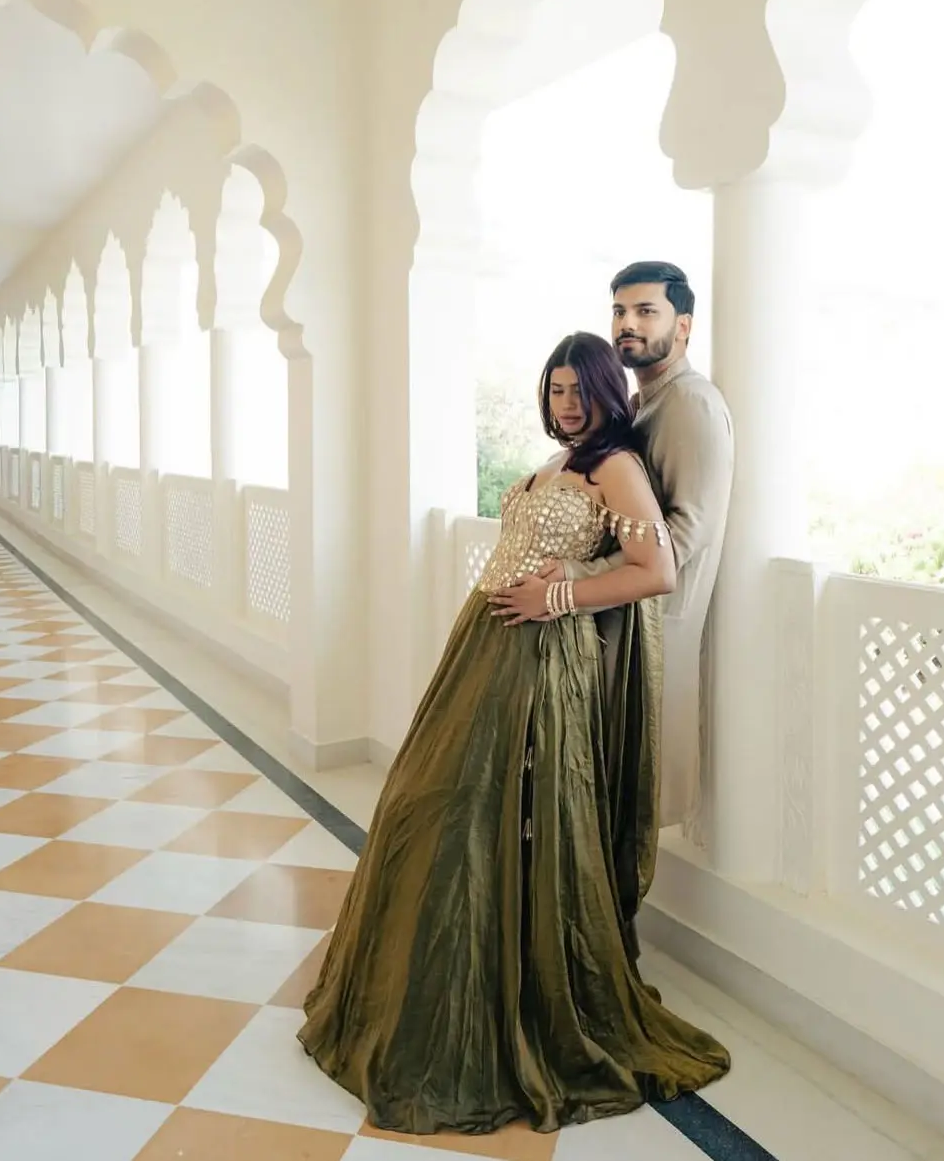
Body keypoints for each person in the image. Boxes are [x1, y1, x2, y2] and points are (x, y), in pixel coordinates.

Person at [298, 331, 730, 1137]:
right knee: (435, 804)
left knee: (490, 812)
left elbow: (658, 569)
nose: (568, 402)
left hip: (538, 654)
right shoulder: (558, 462)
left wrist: (563, 596)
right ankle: (437, 987)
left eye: (581, 389)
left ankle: (510, 1001)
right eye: (557, 388)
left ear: (611, 393)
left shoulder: (615, 467)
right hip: (485, 646)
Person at [548, 262, 734, 855]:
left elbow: (684, 536)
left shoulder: (690, 405)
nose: (627, 324)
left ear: (683, 326)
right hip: (612, 625)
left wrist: (571, 580)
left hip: (649, 636)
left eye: (645, 311)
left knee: (624, 808)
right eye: (620, 312)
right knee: (590, 800)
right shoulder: (642, 402)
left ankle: (608, 946)